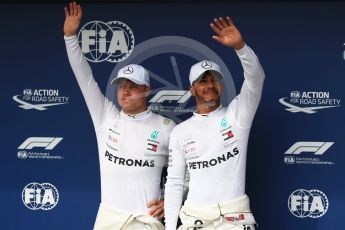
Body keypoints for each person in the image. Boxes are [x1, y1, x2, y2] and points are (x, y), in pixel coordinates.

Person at [63, 2, 175, 229]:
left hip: (146, 222)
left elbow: (192, 171)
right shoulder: (106, 116)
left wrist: (171, 201)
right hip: (109, 220)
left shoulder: (166, 126)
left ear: (146, 90)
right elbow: (84, 78)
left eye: (133, 86)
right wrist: (70, 37)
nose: (125, 91)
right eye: (121, 85)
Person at [165, 16, 265, 230]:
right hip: (194, 219)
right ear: (191, 89)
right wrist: (171, 227)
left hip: (234, 221)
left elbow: (256, 80)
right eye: (203, 81)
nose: (209, 85)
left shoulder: (237, 115)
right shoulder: (180, 131)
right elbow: (174, 183)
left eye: (214, 79)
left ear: (220, 85)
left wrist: (240, 48)